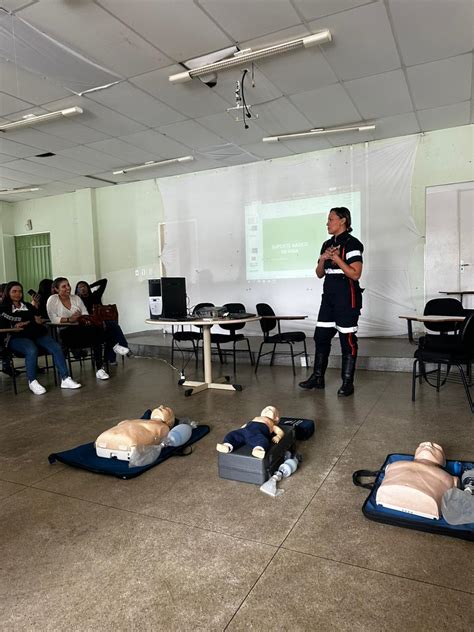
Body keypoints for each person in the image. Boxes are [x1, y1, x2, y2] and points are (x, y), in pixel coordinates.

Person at [299, 207, 363, 396]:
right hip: (328, 298)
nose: (327, 223)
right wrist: (323, 259)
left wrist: (337, 258)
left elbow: (355, 273)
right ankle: (318, 378)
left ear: (343, 221)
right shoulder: (326, 243)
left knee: (347, 340)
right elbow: (319, 274)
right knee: (321, 337)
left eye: (331, 219)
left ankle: (347, 383)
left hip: (347, 297)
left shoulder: (353, 244)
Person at [0, 281, 81, 394]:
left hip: (35, 334)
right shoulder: (3, 309)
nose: (18, 294)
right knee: (31, 349)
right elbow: (7, 323)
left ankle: (65, 378)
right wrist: (21, 323)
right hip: (16, 337)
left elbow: (37, 318)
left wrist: (32, 319)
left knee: (56, 347)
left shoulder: (28, 306)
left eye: (20, 291)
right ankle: (32, 381)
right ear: (7, 293)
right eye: (14, 291)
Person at [46, 277, 110, 380]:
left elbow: (85, 314)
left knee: (97, 330)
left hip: (81, 329)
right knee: (97, 332)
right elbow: (53, 318)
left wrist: (79, 317)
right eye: (64, 286)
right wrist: (69, 320)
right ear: (56, 289)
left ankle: (99, 369)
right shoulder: (53, 300)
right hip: (65, 332)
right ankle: (111, 346)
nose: (68, 288)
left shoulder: (76, 298)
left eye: (68, 285)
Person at [376, 442, 459, 520]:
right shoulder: (394, 465)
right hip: (386, 495)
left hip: (430, 505)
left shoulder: (450, 478)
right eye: (421, 446)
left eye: (436, 448)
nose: (428, 445)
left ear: (442, 462)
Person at [75, 279, 130, 362]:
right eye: (80, 287)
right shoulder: (78, 301)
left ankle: (115, 355)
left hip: (101, 321)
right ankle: (118, 352)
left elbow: (104, 281)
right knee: (111, 330)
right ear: (77, 290)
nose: (82, 288)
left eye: (84, 286)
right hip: (89, 325)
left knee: (112, 327)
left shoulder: (96, 295)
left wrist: (91, 285)